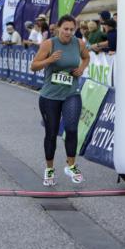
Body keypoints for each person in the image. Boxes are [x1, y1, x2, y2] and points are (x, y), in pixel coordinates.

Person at [30, 14, 89, 186]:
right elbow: (34, 66)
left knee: (71, 128)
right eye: (66, 29)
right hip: (50, 96)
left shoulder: (79, 43)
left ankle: (71, 165)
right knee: (51, 132)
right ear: (58, 29)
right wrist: (49, 59)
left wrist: (81, 68)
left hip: (71, 93)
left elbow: (86, 57)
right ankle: (49, 169)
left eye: (72, 29)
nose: (69, 32)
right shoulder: (49, 44)